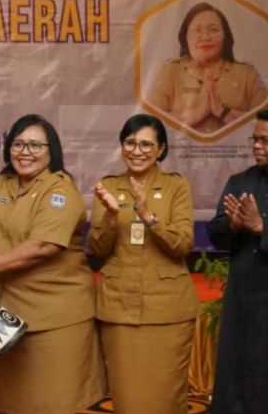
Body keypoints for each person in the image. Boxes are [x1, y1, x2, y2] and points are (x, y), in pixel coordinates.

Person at [0, 114, 104, 414]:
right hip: (3, 318)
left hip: (55, 318)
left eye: (35, 145)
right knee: (10, 402)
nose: (25, 152)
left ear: (51, 151)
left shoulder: (60, 192)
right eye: (18, 144)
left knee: (53, 404)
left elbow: (42, 247)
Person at [88, 114, 198, 414]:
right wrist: (112, 216)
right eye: (130, 143)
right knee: (128, 399)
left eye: (146, 145)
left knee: (166, 398)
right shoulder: (108, 187)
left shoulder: (176, 186)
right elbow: (97, 248)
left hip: (169, 312)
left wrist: (149, 217)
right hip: (119, 309)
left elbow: (183, 245)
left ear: (161, 149)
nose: (137, 151)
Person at [207, 109, 268, 413]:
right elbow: (216, 233)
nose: (256, 146)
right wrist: (232, 227)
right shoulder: (240, 181)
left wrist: (261, 228)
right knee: (237, 375)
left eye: (265, 140)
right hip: (243, 298)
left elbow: (259, 227)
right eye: (254, 139)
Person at [148, 2, 267, 133]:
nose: (205, 37)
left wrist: (224, 113)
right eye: (197, 30)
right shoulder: (170, 71)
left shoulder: (247, 74)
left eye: (213, 29)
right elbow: (150, 123)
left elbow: (265, 122)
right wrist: (197, 114)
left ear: (225, 36)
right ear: (185, 36)